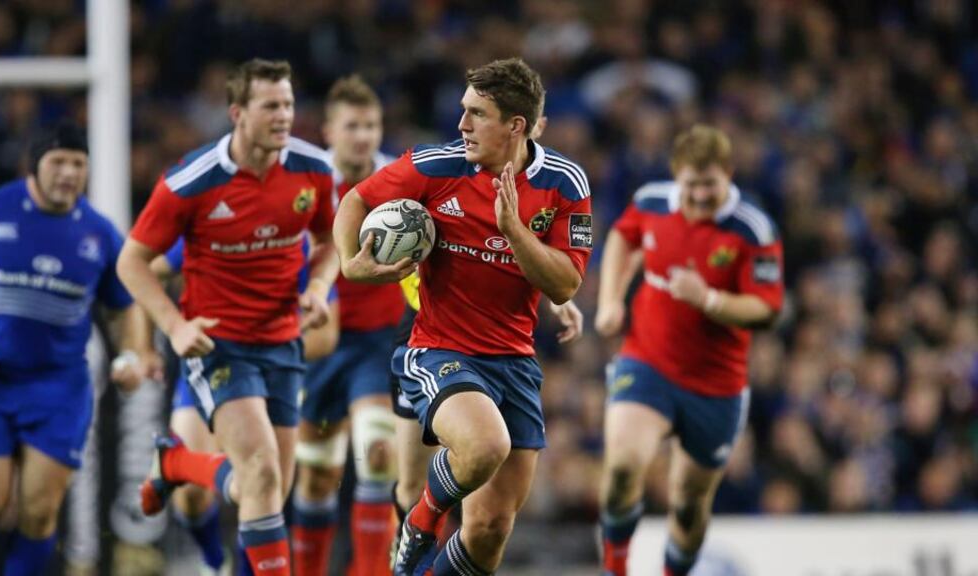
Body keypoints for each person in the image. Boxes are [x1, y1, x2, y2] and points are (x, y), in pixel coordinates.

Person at [334, 57, 593, 576]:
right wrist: (352, 264)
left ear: (515, 126)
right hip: (438, 347)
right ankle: (419, 522)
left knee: (489, 530)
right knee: (481, 447)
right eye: (463, 111)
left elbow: (565, 281)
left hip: (515, 362)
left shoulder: (566, 184)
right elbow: (357, 201)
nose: (462, 125)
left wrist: (515, 231)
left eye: (476, 114)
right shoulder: (435, 166)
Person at [116, 58, 338, 576]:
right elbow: (131, 262)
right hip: (218, 346)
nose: (284, 116)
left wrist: (321, 288)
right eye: (271, 106)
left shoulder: (313, 169)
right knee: (258, 470)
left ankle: (176, 462)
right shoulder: (192, 182)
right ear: (238, 112)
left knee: (267, 491)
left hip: (284, 341)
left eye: (288, 104)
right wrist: (173, 327)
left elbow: (329, 241)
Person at [0, 123, 148, 575]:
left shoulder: (98, 233)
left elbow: (125, 306)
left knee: (39, 514)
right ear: (33, 166)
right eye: (58, 162)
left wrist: (132, 355)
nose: (68, 173)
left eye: (78, 164)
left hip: (58, 388)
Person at [594, 125, 785, 576]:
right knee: (622, 468)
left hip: (715, 385)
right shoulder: (652, 202)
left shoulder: (753, 230)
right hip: (648, 361)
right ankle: (614, 569)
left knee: (688, 505)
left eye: (710, 185)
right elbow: (623, 238)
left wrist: (709, 300)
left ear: (729, 177)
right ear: (676, 176)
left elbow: (767, 309)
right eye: (691, 185)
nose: (700, 196)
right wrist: (610, 301)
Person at [149, 234, 339, 576]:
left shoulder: (297, 231)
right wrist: (165, 332)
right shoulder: (209, 210)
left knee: (264, 493)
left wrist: (276, 340)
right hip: (211, 363)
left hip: (272, 375)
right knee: (197, 497)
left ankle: (176, 462)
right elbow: (141, 269)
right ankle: (213, 560)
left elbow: (325, 336)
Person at [291, 75, 402, 576]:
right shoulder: (306, 186)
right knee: (317, 476)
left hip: (380, 343)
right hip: (318, 344)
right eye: (352, 125)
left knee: (379, 454)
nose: (363, 135)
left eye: (371, 125)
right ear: (329, 132)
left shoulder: (401, 183)